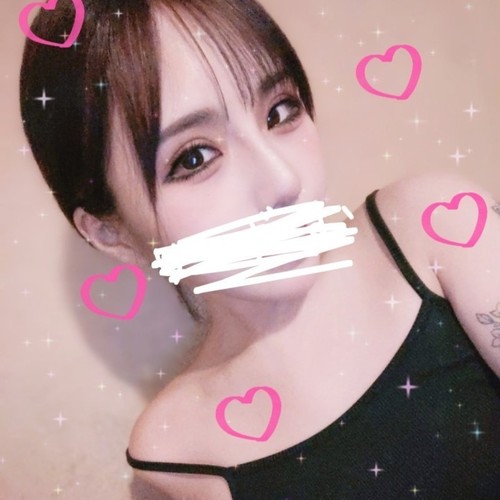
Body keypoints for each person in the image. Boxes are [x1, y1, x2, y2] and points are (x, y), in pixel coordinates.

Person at [20, 1, 500, 498]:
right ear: (110, 233)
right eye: (194, 158)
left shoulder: (433, 229)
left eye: (280, 111)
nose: (283, 180)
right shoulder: (176, 451)